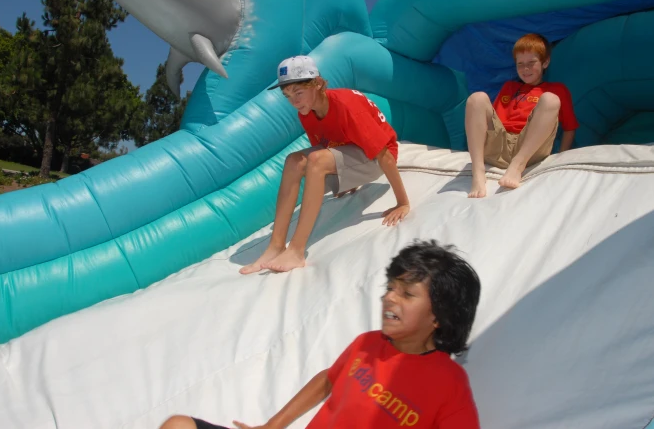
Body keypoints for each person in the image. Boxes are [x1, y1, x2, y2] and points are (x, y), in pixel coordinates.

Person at [161, 240, 482, 429]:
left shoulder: (449, 383)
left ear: (439, 315)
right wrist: (272, 426)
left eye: (407, 294)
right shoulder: (368, 344)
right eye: (390, 288)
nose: (389, 298)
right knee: (178, 425)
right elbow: (329, 379)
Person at [240, 56, 411, 274]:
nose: (294, 101)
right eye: (288, 96)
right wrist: (346, 180)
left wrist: (403, 202)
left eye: (299, 92)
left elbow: (384, 155)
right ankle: (275, 246)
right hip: (352, 156)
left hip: (377, 159)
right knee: (293, 161)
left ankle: (297, 250)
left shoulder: (346, 106)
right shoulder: (307, 112)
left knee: (316, 160)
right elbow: (326, 148)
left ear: (318, 84)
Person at [464, 33, 579, 197]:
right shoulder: (509, 87)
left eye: (532, 63)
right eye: (520, 64)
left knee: (551, 99)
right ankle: (477, 170)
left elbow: (569, 128)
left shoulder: (557, 89)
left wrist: (560, 157)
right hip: (500, 147)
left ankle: (517, 166)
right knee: (477, 98)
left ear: (545, 62)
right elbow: (491, 121)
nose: (526, 69)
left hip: (530, 149)